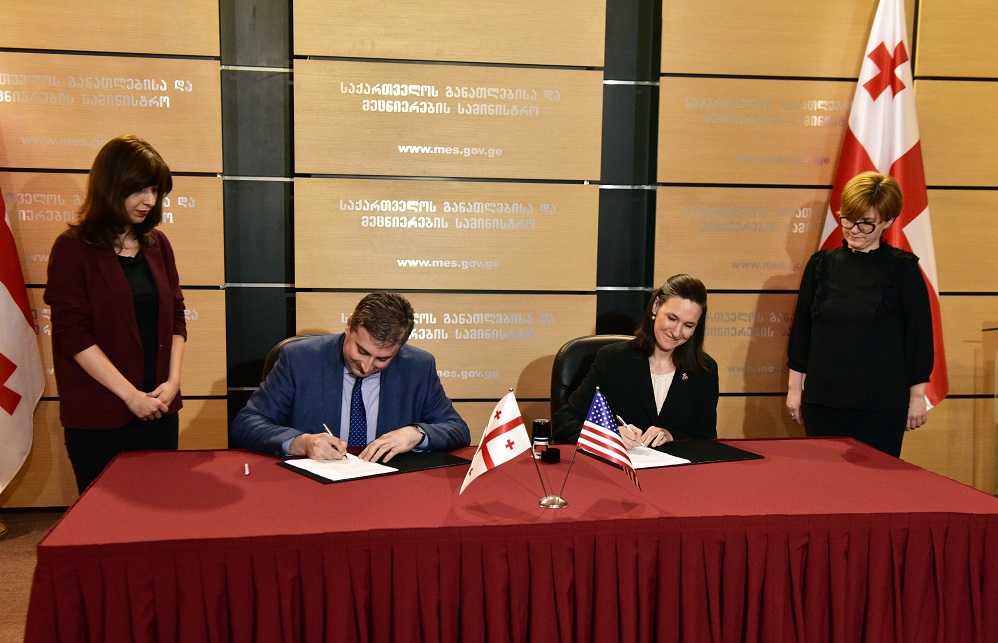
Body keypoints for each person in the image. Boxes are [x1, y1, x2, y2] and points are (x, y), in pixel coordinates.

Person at [44, 135, 186, 493]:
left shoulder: (158, 244)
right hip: (100, 413)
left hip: (159, 407)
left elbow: (176, 317)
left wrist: (172, 383)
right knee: (106, 514)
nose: (149, 200)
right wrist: (130, 396)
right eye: (139, 189)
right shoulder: (73, 248)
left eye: (155, 190)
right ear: (111, 185)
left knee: (161, 506)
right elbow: (73, 335)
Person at [786, 171, 933, 457]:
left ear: (888, 221)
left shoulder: (903, 269)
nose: (854, 230)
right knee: (824, 478)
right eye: (848, 219)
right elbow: (802, 331)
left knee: (878, 481)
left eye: (866, 223)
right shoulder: (820, 265)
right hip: (823, 402)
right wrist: (794, 389)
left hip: (880, 406)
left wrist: (917, 396)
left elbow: (919, 337)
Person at [232, 291, 470, 462]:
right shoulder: (299, 359)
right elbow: (247, 423)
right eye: (362, 351)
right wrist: (301, 442)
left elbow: (457, 429)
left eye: (382, 359)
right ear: (349, 326)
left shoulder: (418, 366)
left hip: (388, 488)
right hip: (312, 488)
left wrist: (416, 433)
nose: (366, 367)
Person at [554, 274, 719, 446]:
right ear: (656, 306)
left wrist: (672, 436)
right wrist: (610, 434)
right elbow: (564, 421)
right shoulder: (613, 359)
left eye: (688, 325)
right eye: (672, 318)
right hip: (621, 462)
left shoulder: (705, 370)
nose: (677, 332)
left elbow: (707, 441)